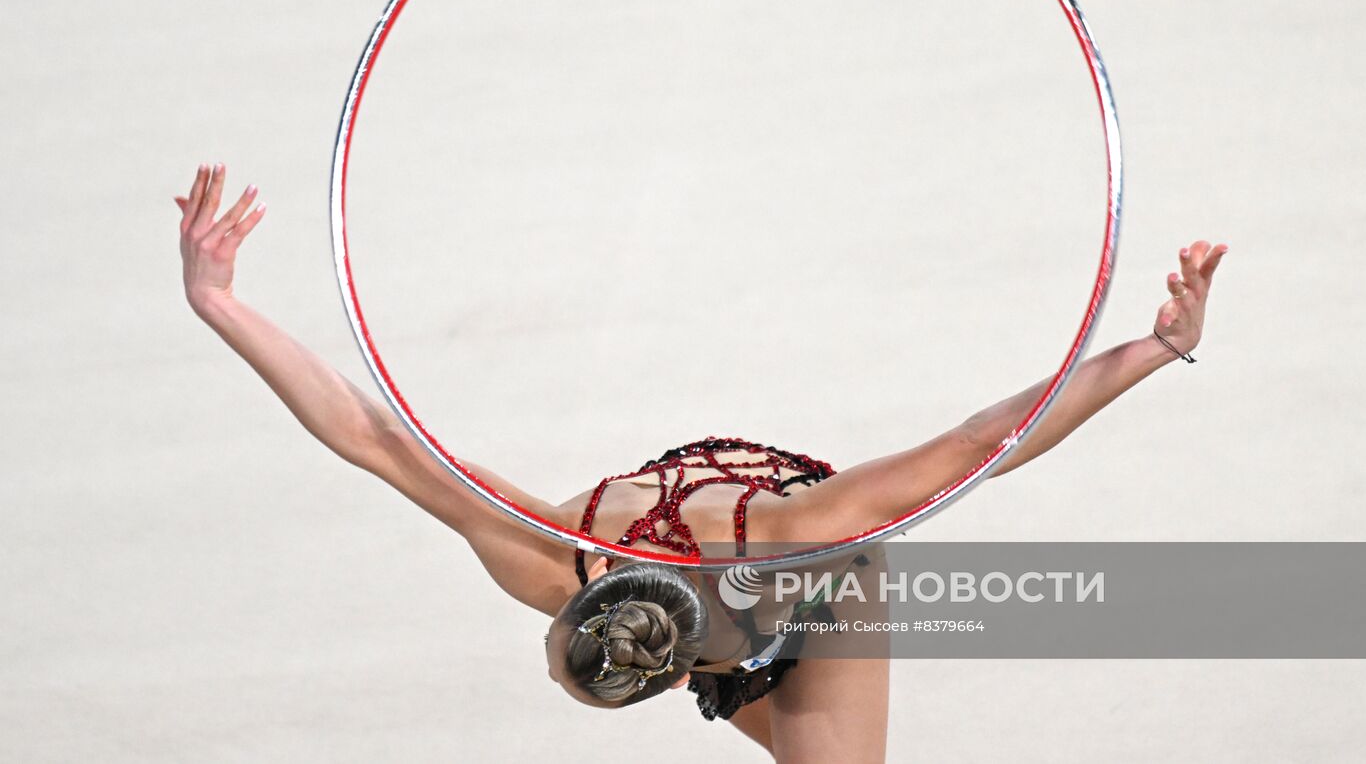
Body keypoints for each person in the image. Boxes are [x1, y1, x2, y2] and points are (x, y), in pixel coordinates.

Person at [174, 163, 1228, 763]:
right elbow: (373, 439)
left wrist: (1155, 349)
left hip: (823, 609)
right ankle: (751, 687)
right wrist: (218, 302)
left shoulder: (791, 541)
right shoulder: (546, 557)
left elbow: (980, 444)